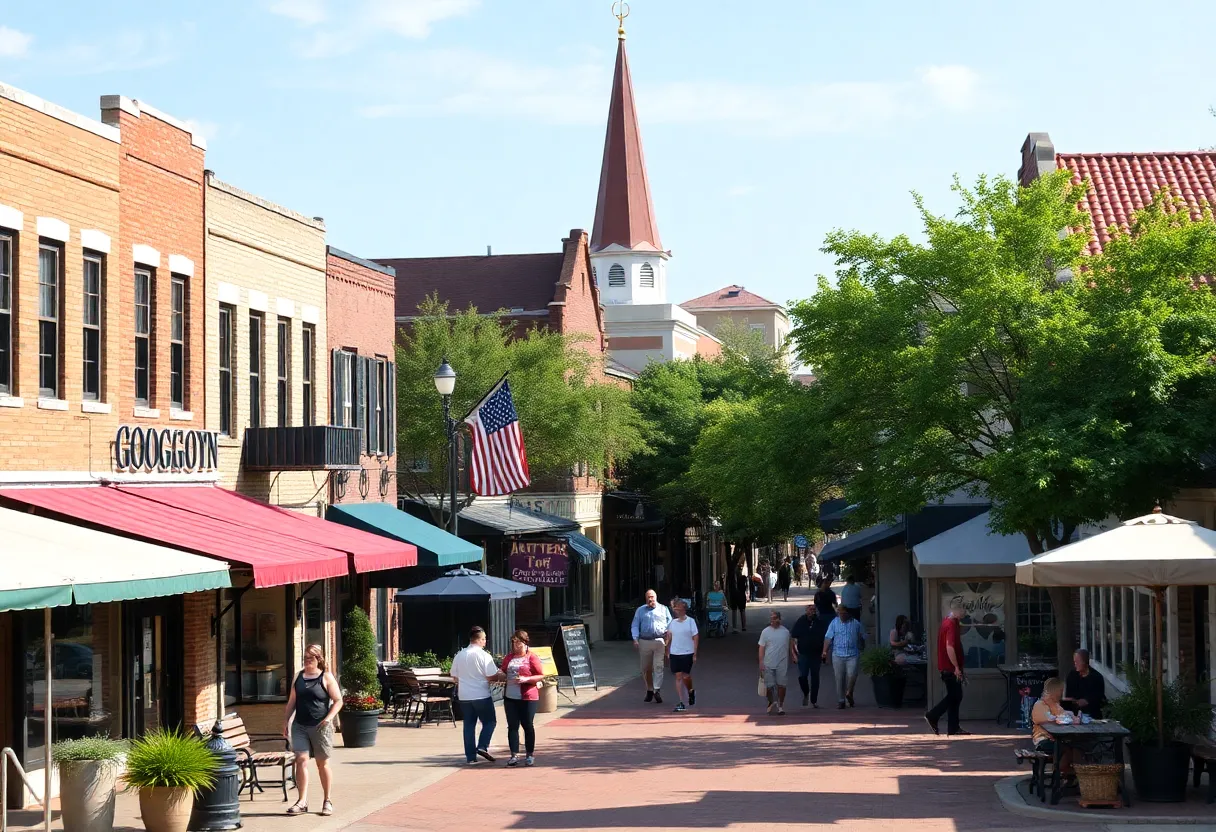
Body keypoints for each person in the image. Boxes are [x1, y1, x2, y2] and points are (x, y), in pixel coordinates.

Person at [283, 644, 343, 816]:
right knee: (301, 759)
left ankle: (327, 800)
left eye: (311, 658)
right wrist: (285, 721)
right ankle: (302, 801)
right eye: (305, 658)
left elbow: (338, 700)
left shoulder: (326, 677)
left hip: (320, 727)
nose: (307, 661)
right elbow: (291, 702)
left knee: (321, 764)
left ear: (318, 659)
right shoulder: (298, 677)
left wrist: (328, 718)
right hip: (300, 725)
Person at [450, 626, 506, 764]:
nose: (485, 641)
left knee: (469, 725)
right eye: (484, 639)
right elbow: (491, 676)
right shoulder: (483, 655)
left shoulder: (460, 655)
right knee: (490, 722)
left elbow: (454, 676)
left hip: (464, 696)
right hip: (481, 694)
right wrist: (499, 675)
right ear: (479, 639)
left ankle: (470, 758)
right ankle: (482, 746)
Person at [500, 630, 545, 767]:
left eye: (518, 642)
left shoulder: (532, 657)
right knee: (512, 726)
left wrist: (527, 679)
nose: (516, 645)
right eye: (514, 642)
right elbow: (502, 672)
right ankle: (514, 755)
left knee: (527, 725)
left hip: (528, 697)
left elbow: (540, 675)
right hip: (511, 697)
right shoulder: (509, 658)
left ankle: (530, 755)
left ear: (525, 643)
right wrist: (498, 676)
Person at [925, 600, 969, 736]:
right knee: (954, 695)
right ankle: (933, 715)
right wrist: (956, 667)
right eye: (964, 611)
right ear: (957, 610)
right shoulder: (950, 624)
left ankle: (953, 727)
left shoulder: (952, 622)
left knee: (956, 696)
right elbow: (949, 647)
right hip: (949, 667)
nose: (965, 614)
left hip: (950, 667)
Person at [631, 589, 673, 704]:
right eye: (648, 597)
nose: (651, 599)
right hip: (645, 641)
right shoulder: (640, 610)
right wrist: (635, 638)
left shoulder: (664, 609)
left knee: (658, 666)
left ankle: (657, 689)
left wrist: (668, 635)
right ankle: (650, 689)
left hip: (659, 641)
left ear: (656, 597)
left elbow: (670, 623)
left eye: (652, 597)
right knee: (646, 668)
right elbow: (635, 625)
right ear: (646, 599)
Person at [822, 605, 865, 708]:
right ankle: (841, 700)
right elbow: (828, 637)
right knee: (839, 678)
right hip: (838, 655)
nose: (841, 615)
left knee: (852, 675)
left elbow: (862, 636)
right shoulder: (834, 623)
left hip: (852, 654)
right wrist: (824, 651)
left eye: (843, 613)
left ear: (847, 613)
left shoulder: (855, 623)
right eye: (840, 613)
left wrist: (862, 645)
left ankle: (849, 693)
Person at [1032, 678, 1074, 778]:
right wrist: (1057, 715)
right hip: (1043, 740)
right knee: (1067, 749)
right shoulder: (1039, 705)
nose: (1062, 693)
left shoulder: (1055, 705)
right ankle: (1059, 772)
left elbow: (1065, 716)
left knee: (1076, 746)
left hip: (1056, 738)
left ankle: (1067, 773)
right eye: (1060, 690)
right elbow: (1046, 719)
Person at [791, 603, 828, 707]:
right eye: (810, 609)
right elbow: (793, 637)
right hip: (803, 654)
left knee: (815, 677)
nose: (812, 611)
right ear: (806, 611)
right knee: (802, 676)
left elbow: (826, 638)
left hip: (816, 654)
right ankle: (806, 692)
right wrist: (793, 653)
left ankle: (814, 700)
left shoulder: (820, 623)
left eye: (814, 609)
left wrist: (825, 652)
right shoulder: (800, 621)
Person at [665, 599, 699, 712]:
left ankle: (690, 690)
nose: (677, 610)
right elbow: (669, 637)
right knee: (678, 676)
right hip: (675, 653)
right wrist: (667, 649)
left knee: (686, 676)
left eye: (679, 608)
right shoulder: (672, 623)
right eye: (675, 609)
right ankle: (682, 702)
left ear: (684, 609)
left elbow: (695, 636)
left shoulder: (691, 621)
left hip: (687, 652)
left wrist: (695, 652)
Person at [757, 610, 794, 715]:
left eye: (775, 618)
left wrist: (794, 656)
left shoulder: (785, 632)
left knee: (781, 685)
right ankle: (771, 701)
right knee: (769, 686)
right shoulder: (765, 632)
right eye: (772, 619)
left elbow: (790, 645)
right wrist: (761, 662)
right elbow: (761, 648)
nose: (773, 621)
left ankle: (780, 706)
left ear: (779, 619)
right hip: (768, 663)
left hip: (782, 663)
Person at [1063, 648, 1105, 719]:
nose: (1075, 664)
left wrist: (1087, 701)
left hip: (1092, 715)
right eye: (1074, 662)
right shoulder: (1072, 675)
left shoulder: (1097, 677)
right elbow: (1068, 695)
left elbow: (1099, 698)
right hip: (1074, 715)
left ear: (1085, 661)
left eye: (1078, 662)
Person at [730, 568, 749, 632]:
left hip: (734, 595)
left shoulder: (731, 578)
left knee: (734, 611)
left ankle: (734, 627)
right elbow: (746, 587)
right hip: (741, 595)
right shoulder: (743, 578)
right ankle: (743, 626)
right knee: (742, 611)